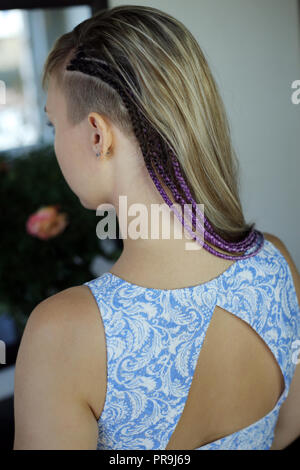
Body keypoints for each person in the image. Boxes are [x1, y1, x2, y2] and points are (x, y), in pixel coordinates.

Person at [13, 5, 300, 450]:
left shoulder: (62, 334)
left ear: (97, 135)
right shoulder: (278, 262)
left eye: (54, 125)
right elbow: (287, 427)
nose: (55, 145)